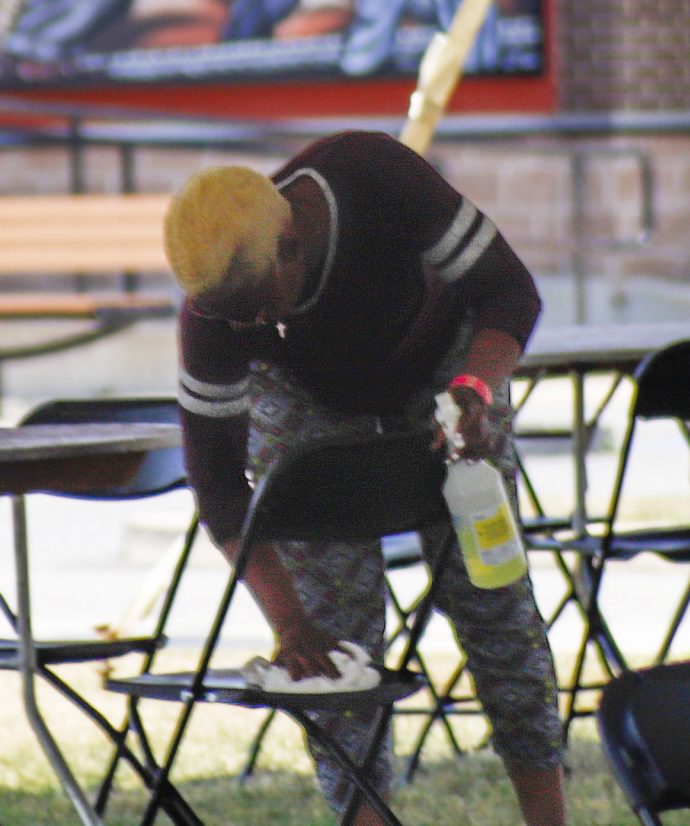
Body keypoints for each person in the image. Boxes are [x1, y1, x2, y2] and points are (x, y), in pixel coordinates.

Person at [163, 130, 566, 826]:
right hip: (311, 397)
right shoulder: (215, 310)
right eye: (236, 317)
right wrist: (291, 625)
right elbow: (221, 488)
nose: (256, 325)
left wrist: (477, 387)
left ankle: (548, 817)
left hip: (448, 365)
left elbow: (509, 291)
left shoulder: (375, 176)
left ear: (291, 242)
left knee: (493, 598)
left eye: (260, 303)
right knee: (332, 645)